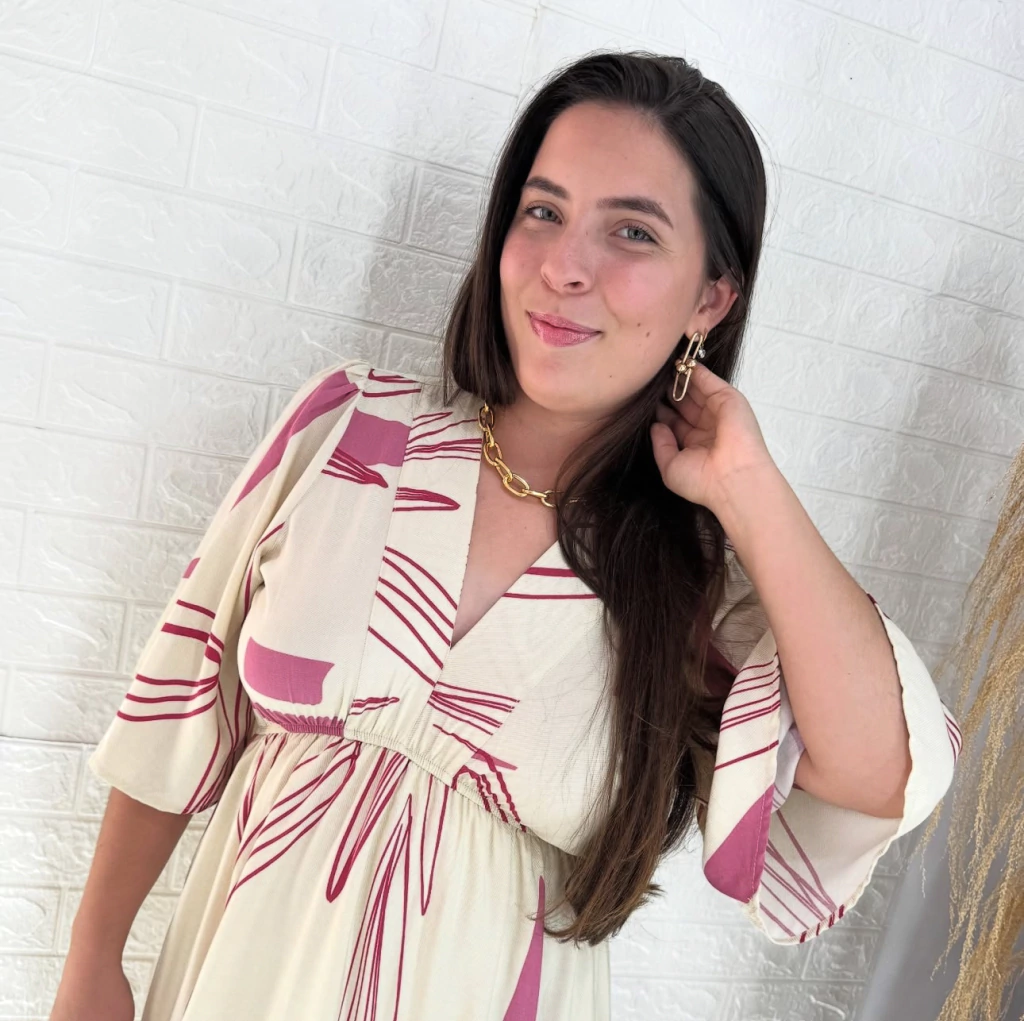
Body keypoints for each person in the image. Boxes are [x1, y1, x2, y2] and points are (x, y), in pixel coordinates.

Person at [50, 51, 960, 1021]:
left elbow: (878, 773)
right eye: (543, 211)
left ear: (711, 298)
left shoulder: (695, 582)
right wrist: (94, 957)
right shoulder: (351, 432)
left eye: (632, 231)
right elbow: (178, 707)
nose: (566, 265)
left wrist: (751, 489)